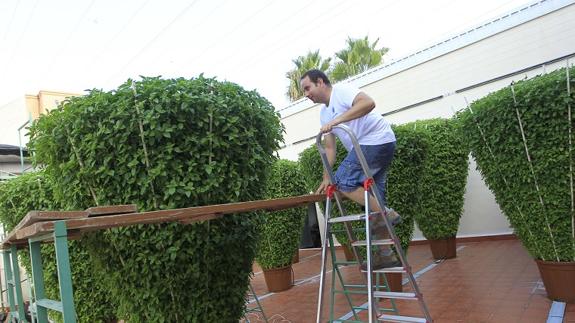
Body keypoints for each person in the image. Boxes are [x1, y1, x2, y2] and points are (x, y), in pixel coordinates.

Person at [300, 69, 400, 269]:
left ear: (320, 82)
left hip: (375, 140)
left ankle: (388, 213)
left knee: (344, 182)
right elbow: (329, 147)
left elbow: (368, 103)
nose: (306, 94)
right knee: (371, 201)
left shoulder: (341, 91)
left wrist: (337, 120)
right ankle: (386, 254)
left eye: (307, 88)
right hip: (373, 146)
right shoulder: (324, 113)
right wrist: (326, 176)